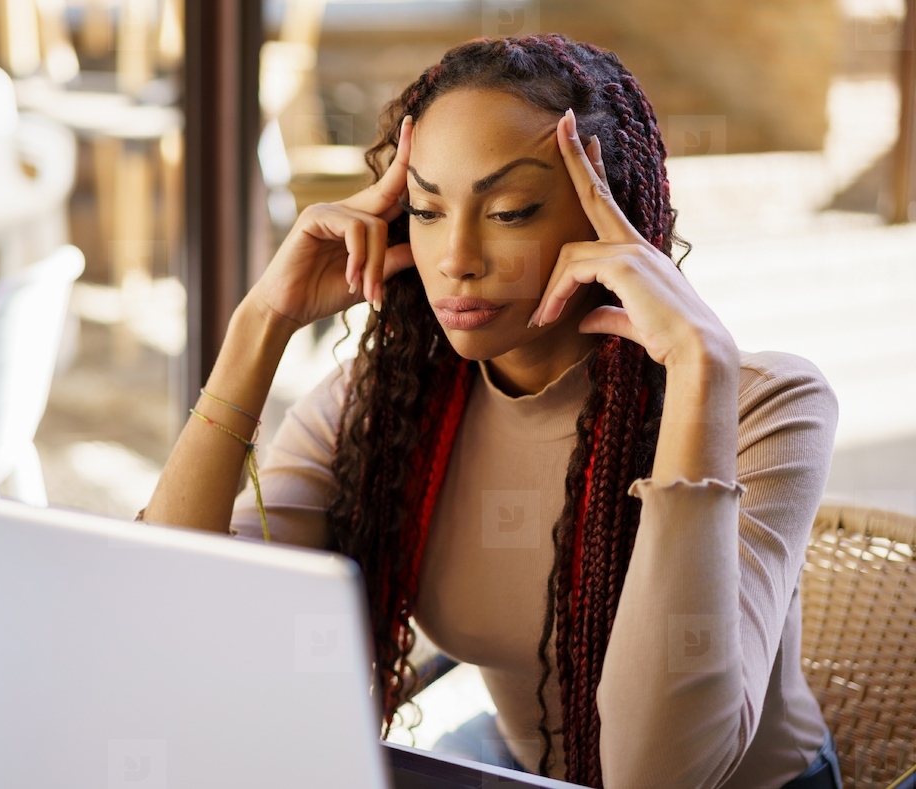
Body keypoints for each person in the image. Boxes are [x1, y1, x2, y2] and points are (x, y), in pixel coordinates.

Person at [139, 35, 842, 789]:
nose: (456, 257)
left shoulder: (763, 406)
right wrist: (260, 324)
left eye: (509, 211)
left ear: (613, 219)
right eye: (428, 210)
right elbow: (170, 616)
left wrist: (700, 376)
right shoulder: (378, 407)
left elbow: (661, 775)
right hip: (520, 768)